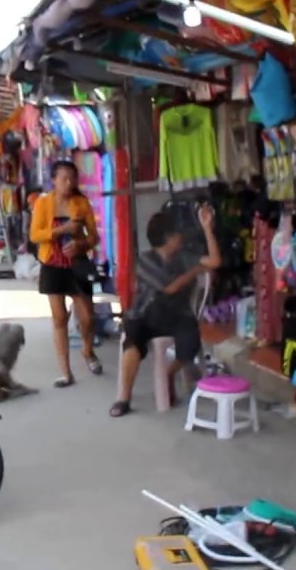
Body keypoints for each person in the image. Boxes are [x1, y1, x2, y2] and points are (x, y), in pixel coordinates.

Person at [111, 205, 221, 417]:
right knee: (133, 341)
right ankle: (123, 399)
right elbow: (169, 288)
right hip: (145, 313)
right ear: (168, 237)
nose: (182, 236)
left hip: (177, 314)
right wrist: (196, 270)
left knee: (191, 341)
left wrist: (208, 229)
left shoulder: (184, 256)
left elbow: (215, 261)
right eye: (178, 232)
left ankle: (167, 373)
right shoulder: (143, 260)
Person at [29, 160, 103, 388]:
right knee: (60, 318)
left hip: (77, 264)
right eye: (64, 178)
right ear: (54, 180)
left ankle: (88, 351)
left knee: (88, 317)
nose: (69, 183)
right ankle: (66, 372)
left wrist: (81, 244)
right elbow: (35, 235)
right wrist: (61, 230)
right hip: (52, 263)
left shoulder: (81, 203)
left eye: (72, 178)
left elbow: (94, 237)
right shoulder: (43, 203)